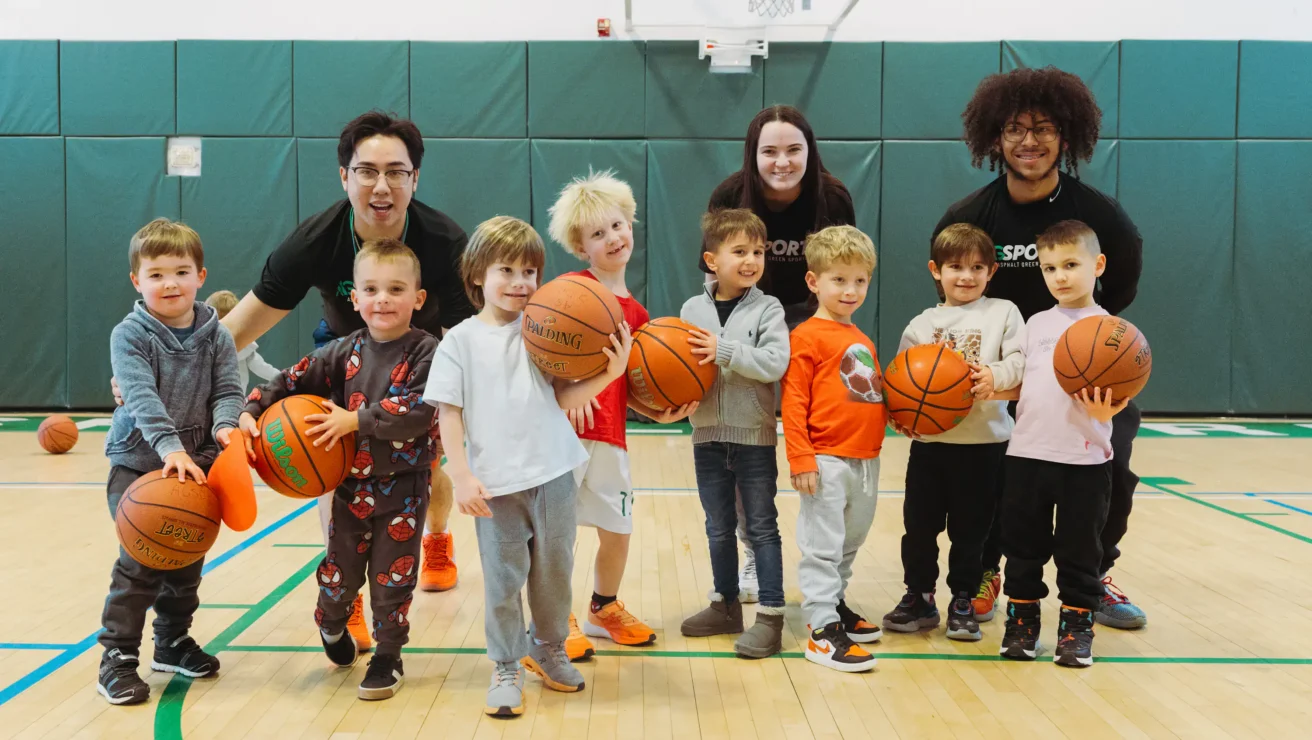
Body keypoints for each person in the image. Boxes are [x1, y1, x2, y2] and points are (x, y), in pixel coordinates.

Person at [936, 67, 1146, 629]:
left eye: (1044, 128)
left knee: (1114, 468)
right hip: (998, 372)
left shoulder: (1099, 216)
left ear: (1066, 135)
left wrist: (1085, 348)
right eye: (1014, 130)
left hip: (1081, 375)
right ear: (994, 138)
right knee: (991, 476)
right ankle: (986, 568)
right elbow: (953, 290)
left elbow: (1120, 287)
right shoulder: (968, 216)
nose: (1029, 141)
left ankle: (1093, 574)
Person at [426, 216, 632, 717]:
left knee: (555, 574)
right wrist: (461, 473)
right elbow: (448, 414)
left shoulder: (545, 328)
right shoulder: (460, 341)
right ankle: (505, 664)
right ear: (477, 275)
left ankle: (549, 647)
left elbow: (563, 399)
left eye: (530, 272)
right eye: (508, 271)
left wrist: (612, 372)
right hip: (495, 485)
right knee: (502, 582)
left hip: (556, 471)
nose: (521, 283)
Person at [239, 238, 439, 699]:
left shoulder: (428, 351)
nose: (382, 299)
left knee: (395, 577)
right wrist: (253, 408)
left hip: (404, 489)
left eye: (395, 289)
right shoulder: (341, 351)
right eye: (370, 289)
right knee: (339, 575)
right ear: (355, 299)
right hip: (349, 489)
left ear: (418, 298)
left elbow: (418, 411)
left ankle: (388, 654)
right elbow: (288, 380)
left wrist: (357, 419)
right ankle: (332, 626)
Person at [707, 104, 856, 602]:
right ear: (753, 154)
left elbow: (843, 269)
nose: (782, 161)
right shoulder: (731, 196)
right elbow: (717, 280)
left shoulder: (832, 197)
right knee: (746, 445)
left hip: (815, 318)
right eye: (769, 151)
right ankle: (753, 553)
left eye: (793, 149)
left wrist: (812, 340)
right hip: (750, 316)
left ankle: (830, 565)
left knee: (822, 441)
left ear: (809, 151)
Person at [546, 171, 695, 661]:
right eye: (597, 233)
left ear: (631, 224)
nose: (613, 238)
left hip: (611, 436)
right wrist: (566, 385)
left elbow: (626, 385)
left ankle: (602, 608)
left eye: (617, 225)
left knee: (619, 529)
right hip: (563, 435)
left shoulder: (640, 316)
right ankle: (554, 617)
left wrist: (663, 408)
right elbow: (542, 358)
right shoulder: (570, 293)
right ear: (579, 246)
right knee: (558, 532)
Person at [97, 219, 245, 705]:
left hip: (196, 463)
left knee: (186, 559)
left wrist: (226, 426)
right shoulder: (130, 334)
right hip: (139, 465)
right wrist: (171, 450)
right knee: (142, 560)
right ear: (137, 281)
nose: (169, 283)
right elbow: (141, 399)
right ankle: (117, 656)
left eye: (180, 271)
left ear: (201, 276)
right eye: (156, 274)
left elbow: (228, 390)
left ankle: (172, 642)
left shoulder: (216, 334)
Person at [881, 223, 1025, 642]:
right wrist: (898, 412)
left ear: (992, 272)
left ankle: (962, 598)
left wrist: (993, 375)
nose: (967, 276)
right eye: (956, 266)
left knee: (972, 530)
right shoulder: (922, 325)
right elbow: (900, 378)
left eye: (978, 267)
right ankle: (919, 595)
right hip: (930, 446)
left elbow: (1020, 359)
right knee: (919, 527)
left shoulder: (1004, 312)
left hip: (984, 446)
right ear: (935, 270)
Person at [996, 220, 1129, 668]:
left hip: (1084, 461)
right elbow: (1021, 383)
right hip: (1027, 455)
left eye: (1071, 265)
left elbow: (1121, 397)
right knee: (1022, 548)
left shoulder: (1112, 331)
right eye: (1050, 267)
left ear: (1099, 265)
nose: (1060, 277)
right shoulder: (1035, 324)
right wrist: (988, 385)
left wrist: (1108, 413)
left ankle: (1076, 630)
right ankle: (1021, 624)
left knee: (1080, 552)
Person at [678, 209, 790, 658]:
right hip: (707, 435)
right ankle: (725, 605)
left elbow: (774, 363)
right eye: (739, 251)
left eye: (758, 252)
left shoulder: (769, 308)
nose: (751, 260)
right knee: (717, 528)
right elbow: (679, 369)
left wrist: (723, 350)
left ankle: (771, 615)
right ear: (711, 260)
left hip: (753, 437)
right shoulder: (690, 309)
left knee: (761, 528)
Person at [781, 225, 886, 673]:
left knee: (849, 542)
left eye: (860, 280)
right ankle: (822, 630)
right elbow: (794, 402)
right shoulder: (806, 336)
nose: (850, 290)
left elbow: (872, 396)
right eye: (839, 279)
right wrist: (801, 458)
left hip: (866, 459)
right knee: (823, 546)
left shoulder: (861, 338)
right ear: (814, 282)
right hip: (823, 458)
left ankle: (835, 604)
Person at [204, 290, 280, 390]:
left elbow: (259, 366)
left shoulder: (242, 343)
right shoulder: (202, 342)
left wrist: (283, 378)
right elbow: (259, 367)